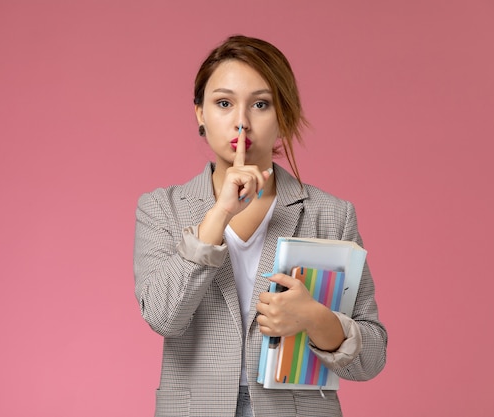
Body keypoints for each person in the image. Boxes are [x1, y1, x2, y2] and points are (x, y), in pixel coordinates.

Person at [133, 35, 387, 417]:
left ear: (283, 114)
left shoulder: (331, 214)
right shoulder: (161, 208)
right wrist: (218, 215)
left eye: (261, 104)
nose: (242, 121)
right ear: (200, 113)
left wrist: (316, 319)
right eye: (223, 103)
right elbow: (162, 317)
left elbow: (372, 357)